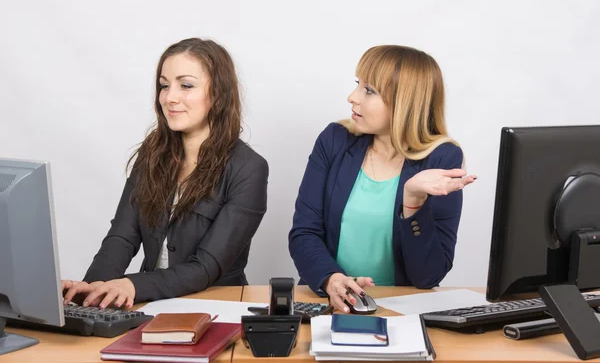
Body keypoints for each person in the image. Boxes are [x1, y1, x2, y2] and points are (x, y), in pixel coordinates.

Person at [62, 38, 268, 309]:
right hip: (152, 305)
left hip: (216, 307)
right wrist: (93, 289)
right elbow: (122, 236)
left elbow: (206, 266)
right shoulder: (152, 153)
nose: (169, 97)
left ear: (218, 93)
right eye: (164, 85)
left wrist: (132, 285)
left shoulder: (249, 168)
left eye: (186, 85)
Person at [288, 45, 476, 312]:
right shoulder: (334, 140)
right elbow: (304, 233)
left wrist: (413, 202)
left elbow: (429, 276)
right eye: (357, 84)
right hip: (328, 300)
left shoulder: (442, 159)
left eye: (369, 90)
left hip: (401, 308)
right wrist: (331, 280)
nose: (352, 97)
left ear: (405, 102)